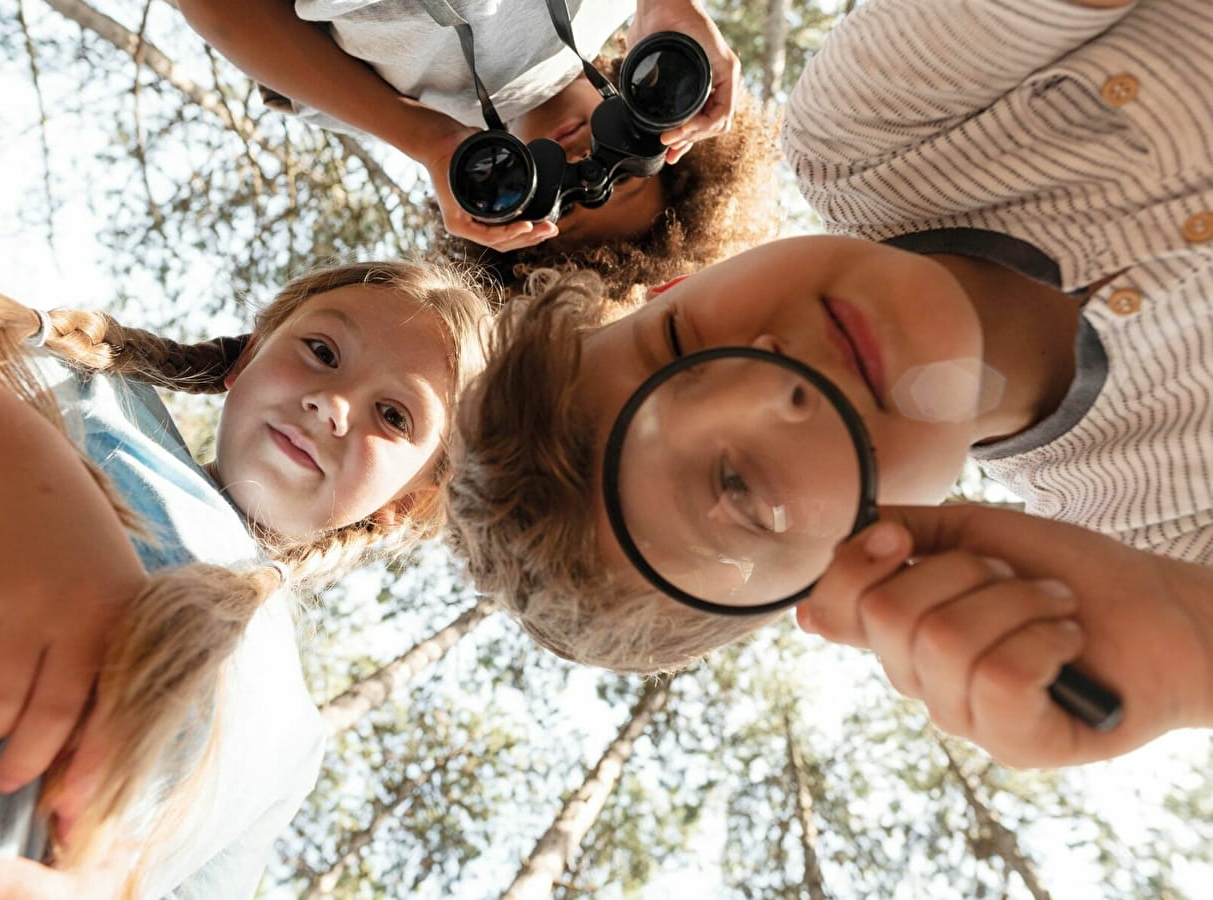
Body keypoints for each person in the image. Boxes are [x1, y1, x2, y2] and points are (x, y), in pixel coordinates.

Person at [444, 0, 1213, 770]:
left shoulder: (868, 133)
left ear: (673, 286)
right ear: (840, 569)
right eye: (740, 487)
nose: (774, 385)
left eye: (678, 342)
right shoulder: (1162, 545)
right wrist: (1190, 637)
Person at [0, 220, 488, 898]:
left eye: (393, 417)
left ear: (408, 503)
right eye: (322, 352)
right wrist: (4, 471)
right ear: (245, 360)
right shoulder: (89, 390)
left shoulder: (293, 743)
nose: (332, 405)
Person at [177, 0, 781, 305]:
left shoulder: (383, 110)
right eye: (620, 177)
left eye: (563, 205)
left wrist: (428, 141)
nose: (577, 162)